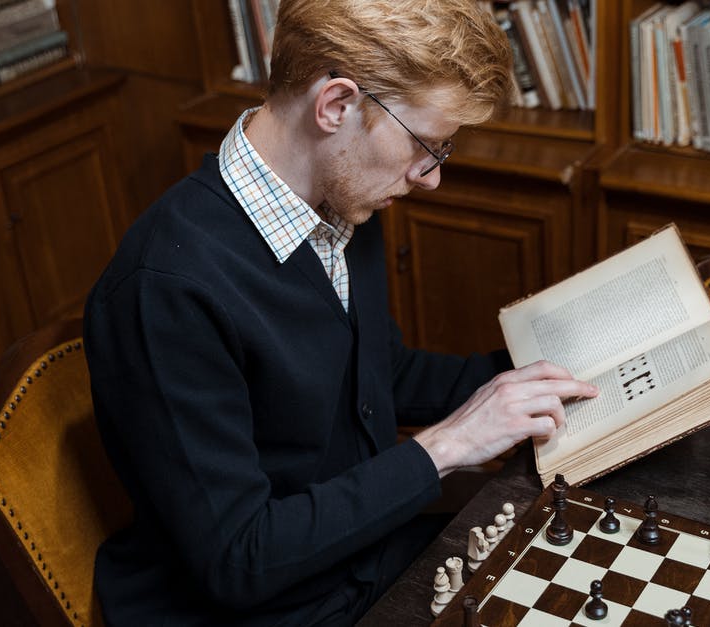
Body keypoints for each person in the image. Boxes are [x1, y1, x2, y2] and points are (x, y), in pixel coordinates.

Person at [83, 1, 598, 624]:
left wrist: (529, 375)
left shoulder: (338, 198)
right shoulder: (164, 290)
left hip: (357, 558)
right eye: (424, 144)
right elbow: (237, 559)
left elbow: (375, 376)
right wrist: (448, 444)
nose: (430, 176)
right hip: (259, 607)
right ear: (335, 106)